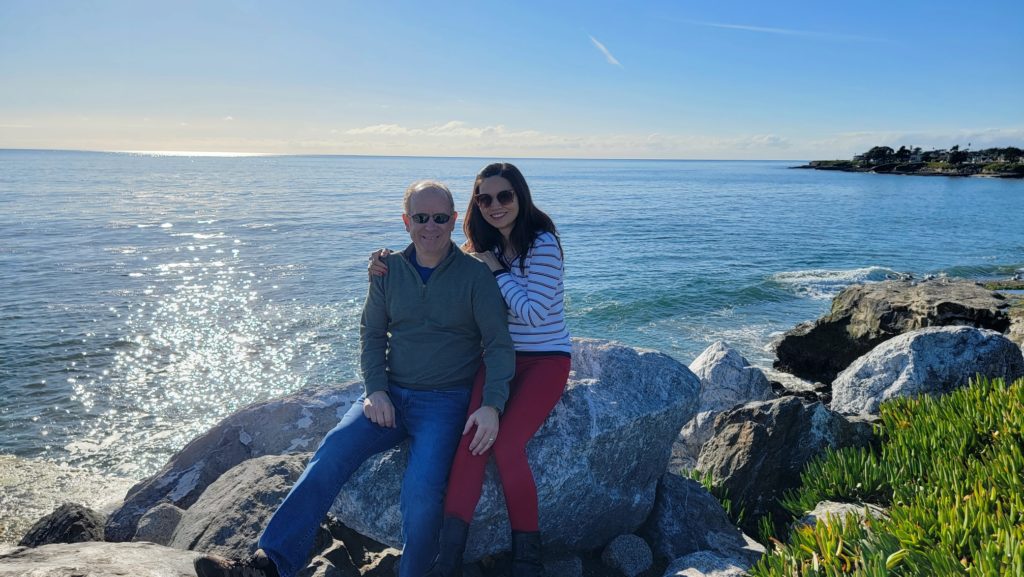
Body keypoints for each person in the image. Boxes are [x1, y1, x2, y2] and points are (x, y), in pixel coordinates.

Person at [194, 180, 515, 577]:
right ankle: (271, 565)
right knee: (331, 453)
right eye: (420, 217)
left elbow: (499, 344)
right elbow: (372, 335)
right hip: (389, 396)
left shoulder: (474, 275)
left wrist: (492, 404)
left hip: (445, 402)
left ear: (453, 221)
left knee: (422, 493)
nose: (429, 226)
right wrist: (375, 390)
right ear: (405, 221)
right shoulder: (387, 270)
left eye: (439, 218)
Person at [370, 162, 571, 577]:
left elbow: (533, 314)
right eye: (485, 198)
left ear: (520, 196)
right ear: (475, 205)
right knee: (471, 442)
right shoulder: (483, 248)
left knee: (506, 444)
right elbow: (432, 252)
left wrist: (495, 272)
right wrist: (385, 260)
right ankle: (448, 560)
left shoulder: (542, 243)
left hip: (545, 360)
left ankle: (527, 559)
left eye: (504, 196)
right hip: (498, 360)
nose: (495, 205)